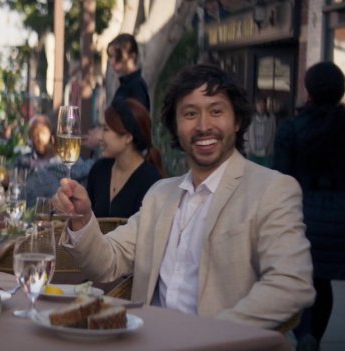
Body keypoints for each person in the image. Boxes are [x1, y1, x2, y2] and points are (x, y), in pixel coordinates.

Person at [51, 64, 315, 330]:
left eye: (216, 111)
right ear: (175, 126)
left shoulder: (271, 190)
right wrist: (82, 218)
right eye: (190, 114)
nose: (203, 126)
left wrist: (207, 336)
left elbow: (290, 284)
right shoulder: (160, 194)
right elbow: (107, 262)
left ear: (236, 121)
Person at [272, 61, 345, 349]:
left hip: (300, 213)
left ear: (308, 89)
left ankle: (305, 334)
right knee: (322, 283)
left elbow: (280, 178)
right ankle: (315, 337)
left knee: (296, 279)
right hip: (339, 215)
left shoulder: (291, 129)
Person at [86, 97, 165, 218]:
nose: (100, 137)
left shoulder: (151, 182)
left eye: (106, 130)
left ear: (128, 137)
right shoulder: (99, 170)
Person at [108, 33, 150, 111]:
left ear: (132, 56)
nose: (112, 61)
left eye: (118, 56)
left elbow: (139, 120)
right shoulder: (126, 84)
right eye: (111, 56)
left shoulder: (137, 85)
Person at [245, 97, 277, 167]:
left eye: (263, 104)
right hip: (252, 152)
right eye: (259, 104)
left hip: (266, 153)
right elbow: (246, 134)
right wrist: (248, 149)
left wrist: (270, 150)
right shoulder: (250, 118)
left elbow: (273, 135)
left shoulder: (271, 118)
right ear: (256, 105)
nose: (261, 106)